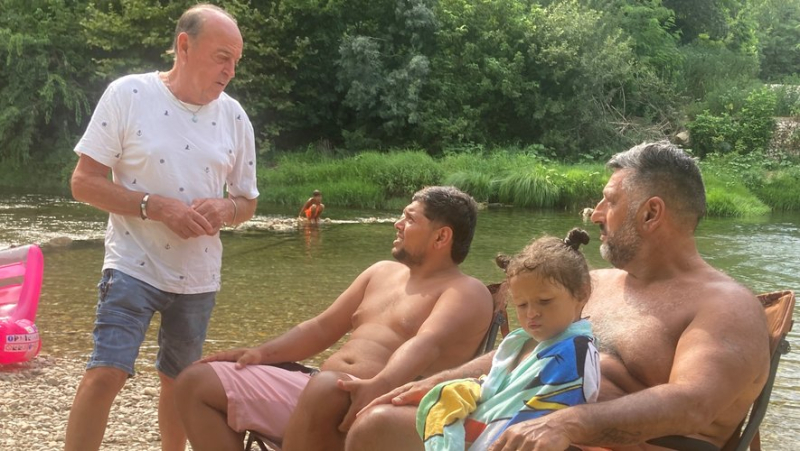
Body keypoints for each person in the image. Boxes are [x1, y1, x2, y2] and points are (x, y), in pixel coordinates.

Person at [347, 141, 770, 451]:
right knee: (374, 418)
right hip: (533, 430)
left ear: (651, 213)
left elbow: (693, 404)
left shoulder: (725, 306)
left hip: (604, 443)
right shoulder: (597, 283)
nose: (595, 214)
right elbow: (523, 349)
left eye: (609, 201)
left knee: (377, 430)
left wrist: (568, 425)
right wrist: (436, 382)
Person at [65, 5, 258, 451]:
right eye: (222, 56)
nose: (230, 71)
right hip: (131, 264)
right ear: (184, 46)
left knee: (180, 383)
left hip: (198, 276)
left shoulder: (234, 116)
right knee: (105, 373)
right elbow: (83, 183)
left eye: (235, 61)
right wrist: (155, 206)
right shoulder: (128, 94)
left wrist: (225, 210)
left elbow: (246, 201)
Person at [174, 186, 494, 451]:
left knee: (329, 386)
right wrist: (261, 354)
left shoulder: (466, 290)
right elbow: (322, 327)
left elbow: (428, 344)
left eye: (410, 219)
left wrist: (377, 385)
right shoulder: (380, 272)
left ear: (441, 238)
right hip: (318, 395)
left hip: (378, 409)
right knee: (196, 381)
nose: (397, 224)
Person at [416, 228, 600, 451]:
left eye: (544, 301)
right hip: (479, 433)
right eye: (521, 305)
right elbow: (499, 391)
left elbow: (544, 419)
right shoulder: (519, 341)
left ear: (581, 294)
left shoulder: (575, 352)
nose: (531, 313)